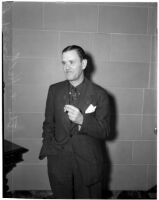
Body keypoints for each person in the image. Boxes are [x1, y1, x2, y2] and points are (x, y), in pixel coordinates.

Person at [39, 45, 110, 199]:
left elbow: (105, 131)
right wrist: (49, 147)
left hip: (88, 162)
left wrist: (82, 120)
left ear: (83, 64)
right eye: (64, 63)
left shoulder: (100, 94)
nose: (66, 67)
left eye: (71, 62)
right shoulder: (54, 90)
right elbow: (48, 123)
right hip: (58, 160)